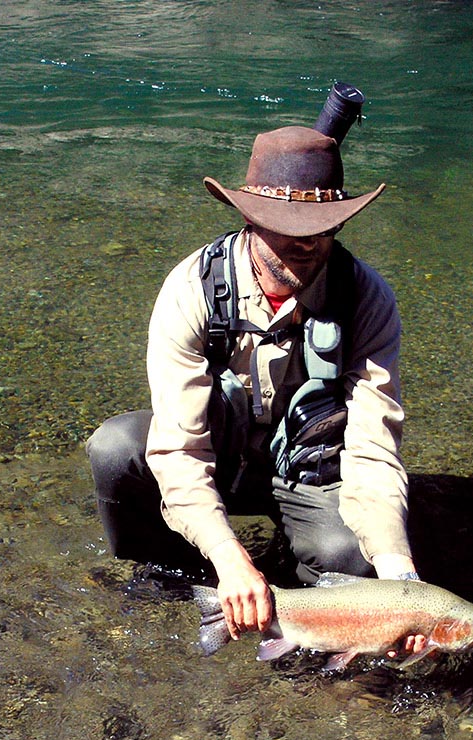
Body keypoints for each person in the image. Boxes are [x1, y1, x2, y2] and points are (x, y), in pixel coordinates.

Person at [87, 124, 423, 653]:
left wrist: (400, 578)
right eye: (288, 229)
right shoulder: (190, 290)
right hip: (219, 457)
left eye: (323, 227)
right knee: (116, 449)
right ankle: (173, 579)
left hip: (308, 466)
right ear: (248, 219)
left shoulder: (366, 299)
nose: (309, 244)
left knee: (350, 558)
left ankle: (310, 615)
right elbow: (179, 448)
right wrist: (228, 557)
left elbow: (374, 449)